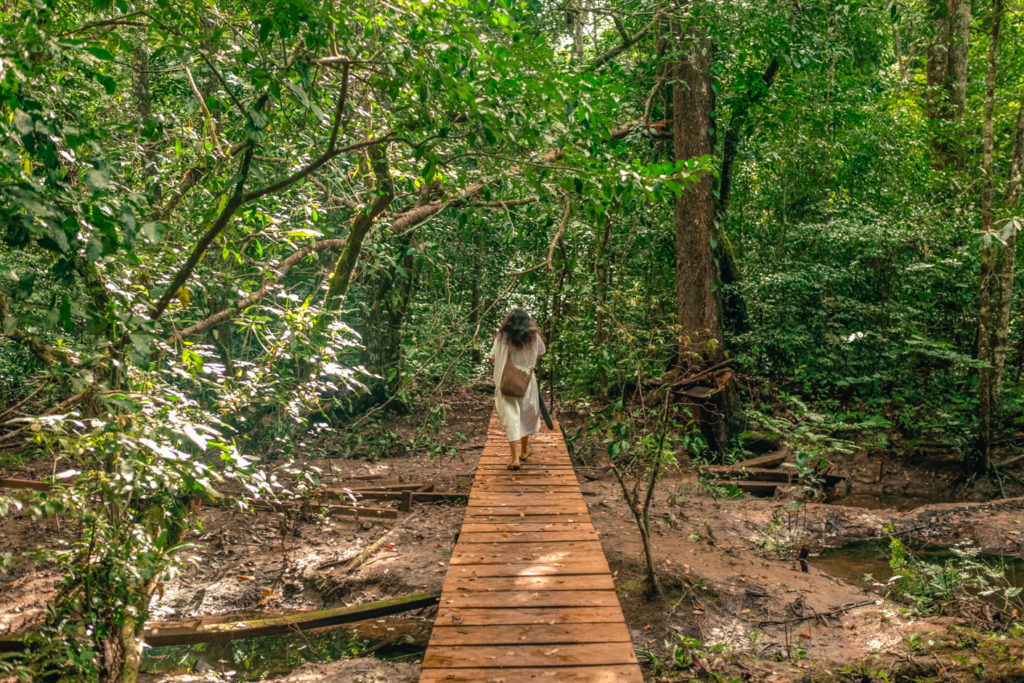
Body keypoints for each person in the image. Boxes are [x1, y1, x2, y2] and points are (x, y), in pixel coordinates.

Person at [489, 307, 546, 470]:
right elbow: (541, 354)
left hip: (505, 381)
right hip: (526, 380)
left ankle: (515, 459)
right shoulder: (533, 336)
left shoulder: (502, 336)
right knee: (526, 414)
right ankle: (524, 450)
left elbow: (493, 358)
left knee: (511, 417)